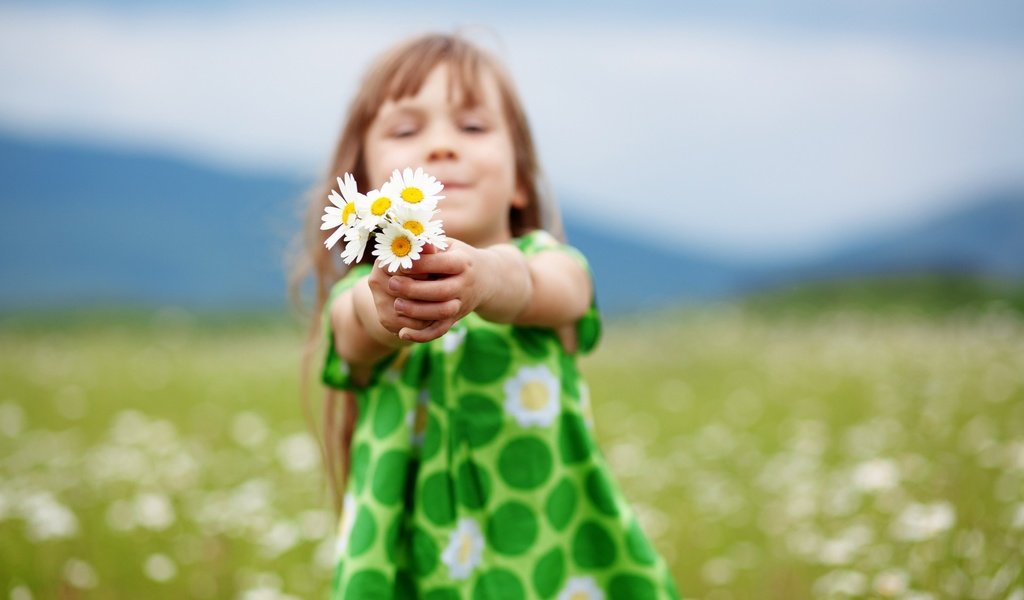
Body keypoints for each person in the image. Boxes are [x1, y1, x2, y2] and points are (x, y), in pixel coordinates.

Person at [294, 32, 682, 600]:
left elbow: (554, 289)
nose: (442, 148)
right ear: (366, 187)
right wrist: (391, 300)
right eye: (406, 130)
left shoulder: (551, 267)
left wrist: (488, 278)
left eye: (473, 127)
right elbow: (357, 328)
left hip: (548, 562)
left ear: (522, 181)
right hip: (411, 572)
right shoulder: (361, 293)